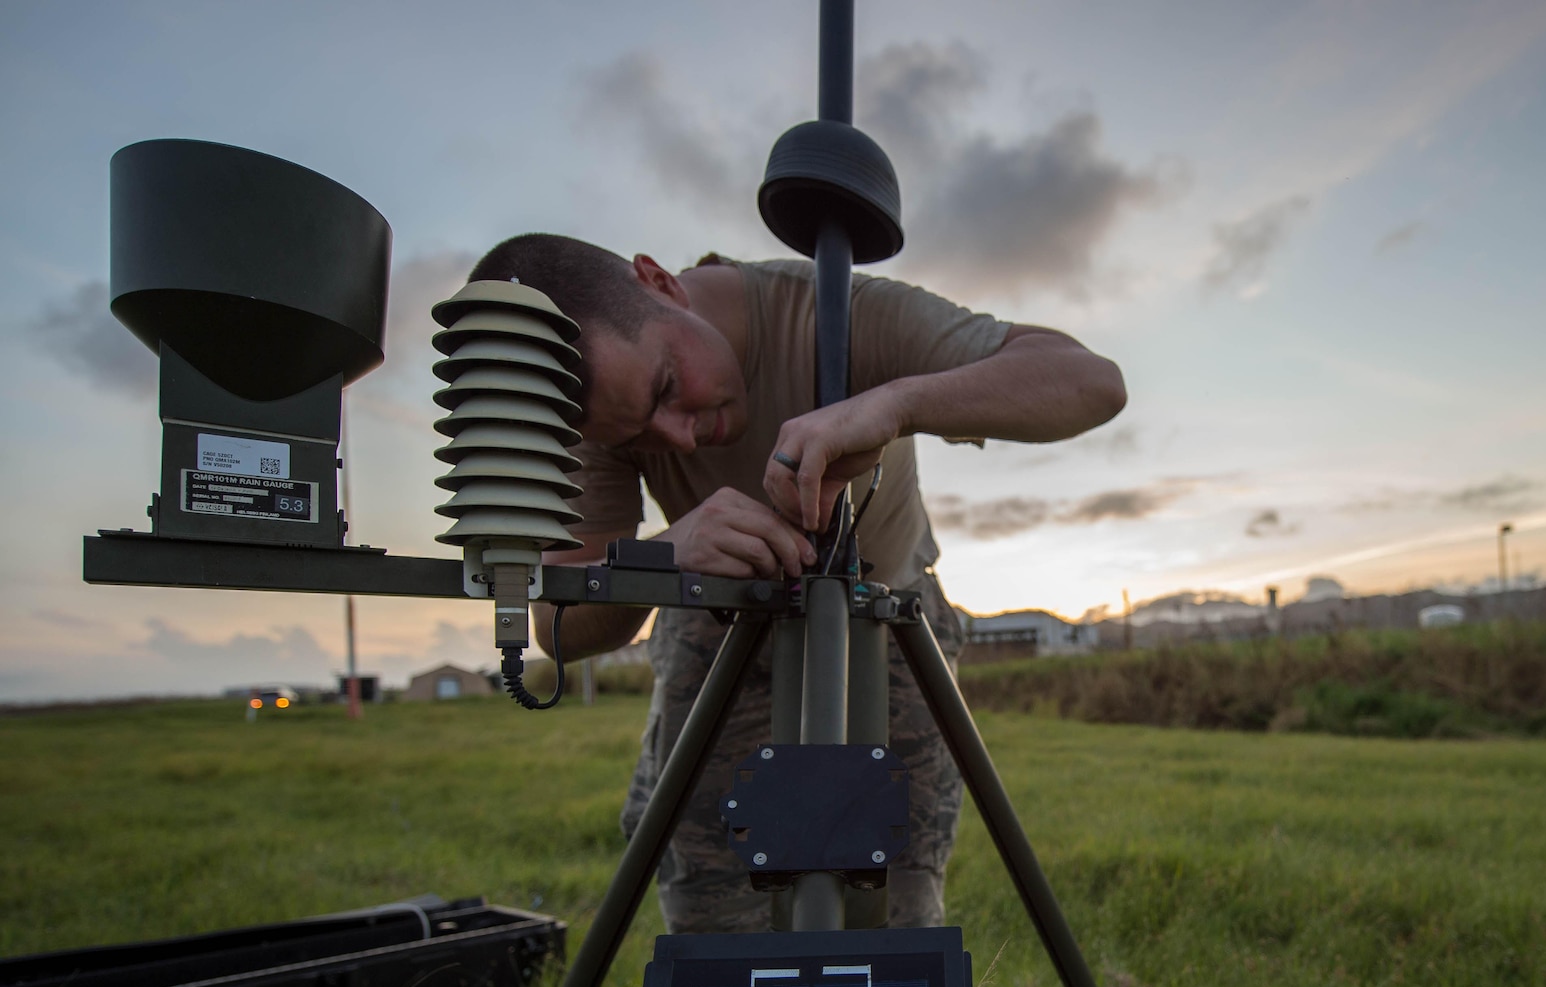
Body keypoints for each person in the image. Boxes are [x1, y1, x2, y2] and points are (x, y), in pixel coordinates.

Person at [464, 235, 1127, 933]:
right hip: (718, 621)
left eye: (667, 389)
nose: (681, 439)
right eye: (642, 434)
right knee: (709, 898)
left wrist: (897, 404)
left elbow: (1090, 382)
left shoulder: (831, 310)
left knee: (890, 899)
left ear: (659, 281)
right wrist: (664, 554)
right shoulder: (597, 405)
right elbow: (557, 626)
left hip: (888, 620)